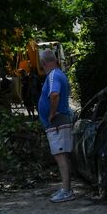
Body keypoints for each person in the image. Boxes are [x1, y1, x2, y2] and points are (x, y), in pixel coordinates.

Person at [37, 49, 75, 203]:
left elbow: (54, 94)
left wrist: (52, 114)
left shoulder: (53, 75)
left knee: (60, 156)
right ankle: (67, 188)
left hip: (57, 122)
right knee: (63, 155)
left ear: (43, 63)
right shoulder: (60, 74)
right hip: (61, 120)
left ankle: (66, 191)